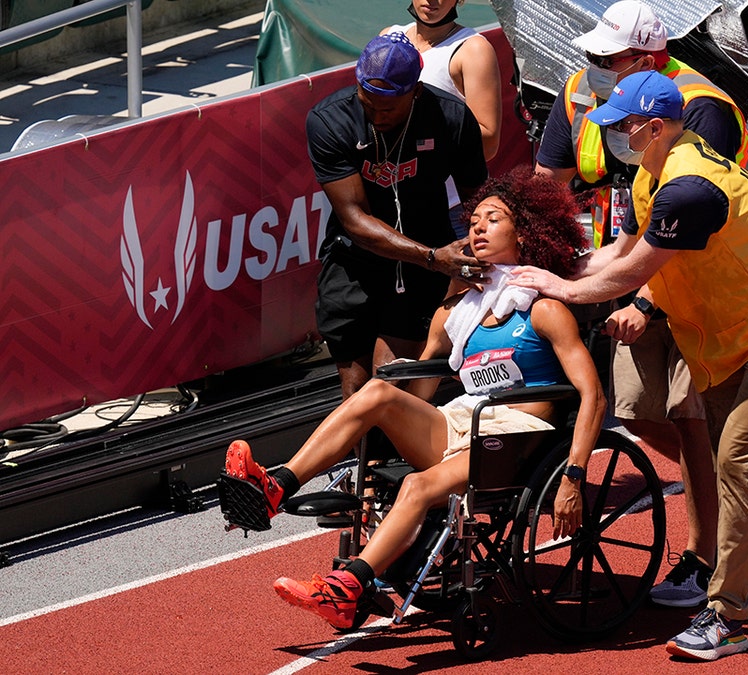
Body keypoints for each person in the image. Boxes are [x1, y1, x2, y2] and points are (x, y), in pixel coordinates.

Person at [513, 72, 748, 661]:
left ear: (652, 127)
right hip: (730, 335)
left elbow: (629, 274)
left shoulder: (690, 187)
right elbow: (617, 252)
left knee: (737, 462)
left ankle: (726, 615)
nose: (613, 134)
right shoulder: (652, 172)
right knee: (740, 463)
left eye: (622, 125)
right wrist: (552, 268)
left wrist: (562, 289)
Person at [219, 171, 604, 628]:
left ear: (525, 234)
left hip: (516, 438)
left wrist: (574, 477)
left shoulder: (544, 308)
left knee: (416, 487)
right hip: (464, 421)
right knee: (380, 392)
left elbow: (593, 396)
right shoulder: (459, 314)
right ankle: (276, 486)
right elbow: (420, 388)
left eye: (493, 220)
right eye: (474, 220)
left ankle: (347, 586)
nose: (477, 228)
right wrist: (393, 409)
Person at [536, 0, 748, 608]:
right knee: (642, 413)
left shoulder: (700, 107)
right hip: (633, 263)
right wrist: (520, 252)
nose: (591, 64)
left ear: (646, 58)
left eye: (605, 58)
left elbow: (682, 227)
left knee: (689, 415)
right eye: (591, 54)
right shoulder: (578, 96)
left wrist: (639, 300)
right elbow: (547, 191)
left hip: (711, 276)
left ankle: (703, 557)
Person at [308, 32, 489, 400]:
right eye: (368, 103)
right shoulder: (328, 121)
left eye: (388, 108)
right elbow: (355, 218)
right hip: (356, 261)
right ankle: (360, 459)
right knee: (356, 389)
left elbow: (479, 200)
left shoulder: (452, 119)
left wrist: (479, 253)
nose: (377, 115)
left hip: (425, 261)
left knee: (390, 383)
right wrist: (433, 258)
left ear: (416, 92)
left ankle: (399, 453)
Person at [382, 0, 503, 237]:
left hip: (449, 208)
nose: (431, 0)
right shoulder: (389, 38)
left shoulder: (473, 49)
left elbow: (487, 143)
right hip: (390, 201)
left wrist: (421, 136)